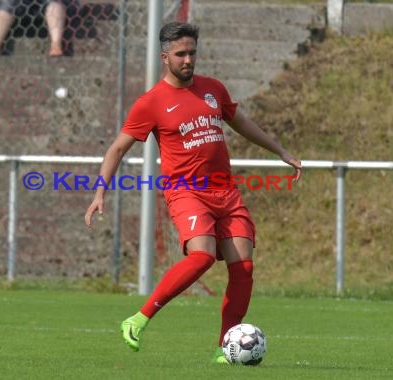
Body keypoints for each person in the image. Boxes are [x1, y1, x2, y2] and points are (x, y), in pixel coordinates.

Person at [84, 22, 302, 364]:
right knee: (201, 256)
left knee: (243, 267)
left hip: (225, 192)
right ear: (165, 56)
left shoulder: (213, 89)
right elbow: (116, 150)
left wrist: (280, 150)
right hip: (186, 191)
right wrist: (100, 193)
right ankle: (138, 319)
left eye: (193, 53)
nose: (189, 60)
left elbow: (241, 122)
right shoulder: (151, 102)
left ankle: (223, 349)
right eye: (181, 54)